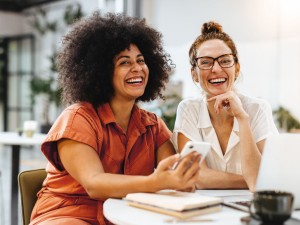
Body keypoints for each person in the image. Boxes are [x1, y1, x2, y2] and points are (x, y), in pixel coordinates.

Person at [29, 12, 201, 225]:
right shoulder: (78, 119)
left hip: (127, 215)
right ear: (101, 71)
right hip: (69, 215)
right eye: (124, 62)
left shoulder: (153, 126)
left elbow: (173, 176)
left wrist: (182, 179)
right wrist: (154, 182)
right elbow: (94, 184)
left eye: (141, 60)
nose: (137, 68)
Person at [172, 21, 278, 192]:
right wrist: (253, 179)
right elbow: (197, 176)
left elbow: (269, 178)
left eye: (224, 61)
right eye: (206, 62)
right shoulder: (188, 110)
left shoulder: (257, 109)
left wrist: (243, 119)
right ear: (194, 74)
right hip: (204, 211)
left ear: (236, 68)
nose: (216, 69)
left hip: (250, 209)